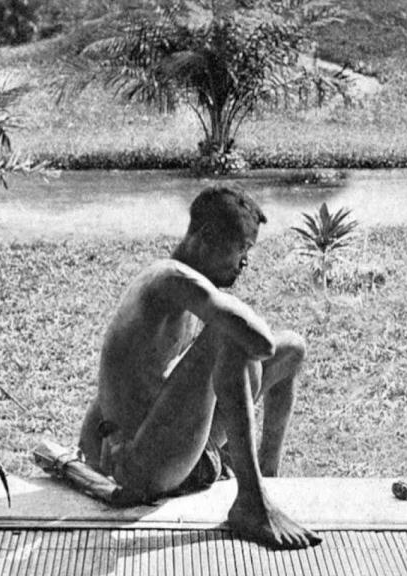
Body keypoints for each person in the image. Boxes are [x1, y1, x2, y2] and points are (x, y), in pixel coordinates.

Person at [78, 187, 321, 549]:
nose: (243, 263)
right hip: (143, 466)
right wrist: (104, 442)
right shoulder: (170, 280)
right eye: (242, 249)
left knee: (293, 350)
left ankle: (267, 480)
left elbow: (135, 374)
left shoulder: (187, 289)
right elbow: (258, 342)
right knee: (228, 337)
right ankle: (251, 503)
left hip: (176, 450)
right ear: (206, 236)